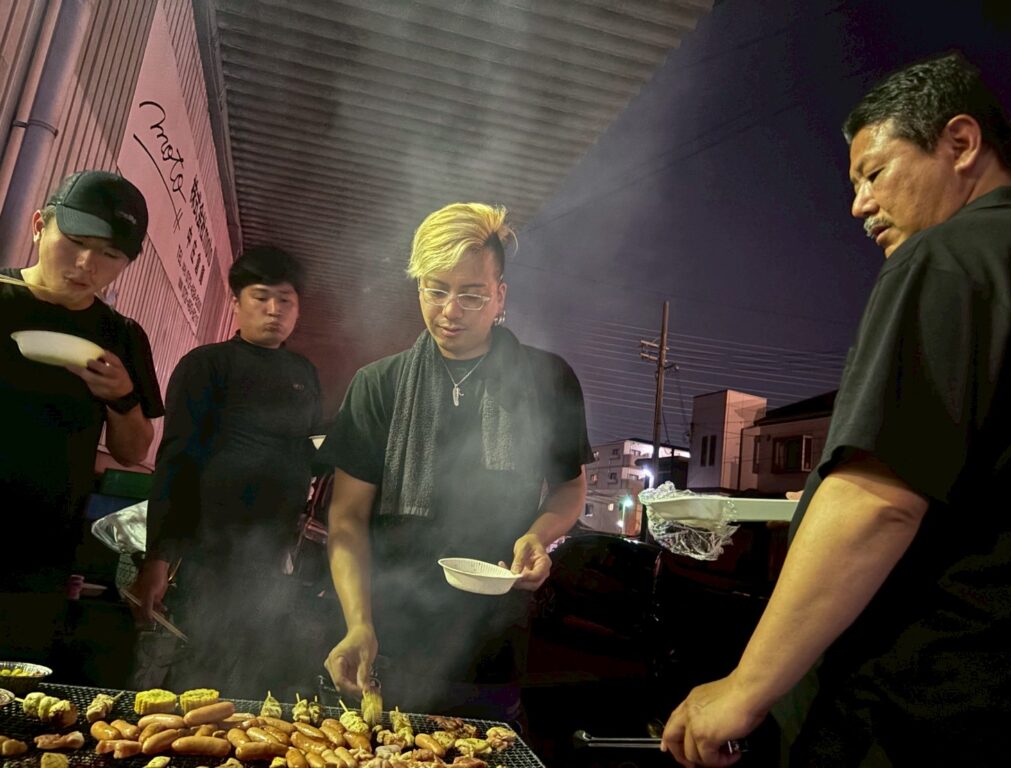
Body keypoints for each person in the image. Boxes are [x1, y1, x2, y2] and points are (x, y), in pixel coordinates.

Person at [660, 52, 1011, 767]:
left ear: (960, 142)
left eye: (874, 173)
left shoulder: (944, 259)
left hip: (919, 711)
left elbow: (877, 502)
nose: (859, 205)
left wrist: (745, 688)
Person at [320, 202, 591, 722]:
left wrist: (538, 535)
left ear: (500, 297)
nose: (450, 311)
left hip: (496, 637)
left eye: (471, 294)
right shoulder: (378, 386)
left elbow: (568, 487)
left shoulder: (547, 381)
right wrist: (358, 623)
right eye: (436, 290)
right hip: (390, 633)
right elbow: (347, 518)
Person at [131, 246, 323, 697]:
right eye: (261, 297)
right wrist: (158, 557)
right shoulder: (207, 364)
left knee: (254, 673)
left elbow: (308, 451)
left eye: (286, 300)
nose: (274, 310)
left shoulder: (303, 373)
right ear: (236, 301)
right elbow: (176, 459)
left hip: (272, 553)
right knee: (197, 670)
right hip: (206, 551)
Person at [0, 169, 163, 660]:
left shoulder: (121, 336)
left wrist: (123, 397)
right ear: (38, 226)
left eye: (110, 255)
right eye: (74, 242)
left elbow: (133, 451)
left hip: (43, 554)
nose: (87, 265)